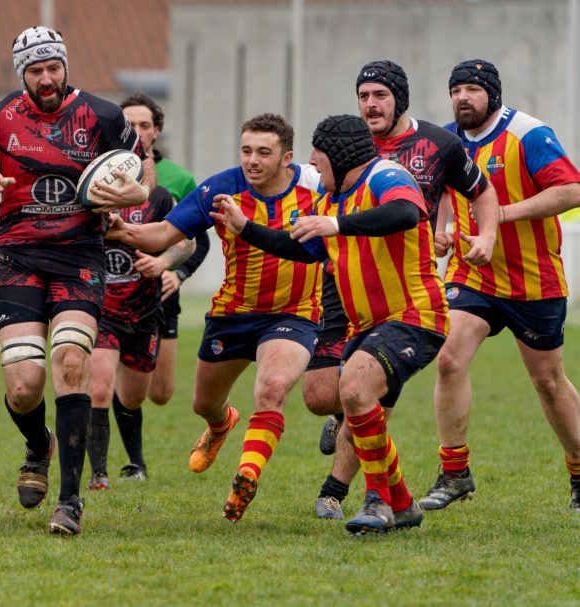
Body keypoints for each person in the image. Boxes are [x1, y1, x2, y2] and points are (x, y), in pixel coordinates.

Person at [0, 26, 155, 536]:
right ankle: (39, 445)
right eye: (36, 70)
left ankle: (69, 501)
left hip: (79, 258)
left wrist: (126, 196)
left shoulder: (103, 116)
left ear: (65, 66)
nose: (46, 78)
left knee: (70, 360)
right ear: (23, 73)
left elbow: (143, 178)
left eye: (53, 68)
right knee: (23, 386)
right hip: (18, 256)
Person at [213, 115, 449, 534]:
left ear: (339, 157)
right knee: (358, 403)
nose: (310, 163)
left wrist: (337, 224)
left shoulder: (385, 175)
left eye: (317, 156)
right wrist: (246, 229)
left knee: (354, 389)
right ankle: (403, 503)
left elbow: (407, 213)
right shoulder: (328, 200)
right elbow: (300, 249)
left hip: (415, 316)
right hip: (367, 325)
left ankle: (377, 502)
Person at [107, 113, 323, 522]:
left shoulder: (316, 186)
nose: (252, 160)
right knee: (204, 403)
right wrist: (122, 231)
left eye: (264, 152)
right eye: (246, 151)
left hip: (294, 313)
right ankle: (221, 425)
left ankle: (247, 474)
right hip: (232, 314)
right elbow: (164, 234)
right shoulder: (220, 189)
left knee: (273, 388)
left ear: (288, 157)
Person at [309, 60, 499, 521]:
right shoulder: (346, 143)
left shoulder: (439, 144)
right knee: (322, 396)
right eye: (363, 96)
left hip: (403, 289)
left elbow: (481, 191)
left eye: (380, 96)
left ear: (400, 99)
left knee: (363, 390)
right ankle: (383, 491)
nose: (370, 105)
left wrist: (486, 235)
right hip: (346, 283)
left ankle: (350, 494)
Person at [420, 59, 580, 513]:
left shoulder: (529, 133)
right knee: (449, 358)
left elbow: (572, 190)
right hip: (474, 275)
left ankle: (579, 470)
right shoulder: (449, 143)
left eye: (472, 89)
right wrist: (443, 230)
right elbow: (450, 198)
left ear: (493, 93)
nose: (462, 98)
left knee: (548, 381)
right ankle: (455, 473)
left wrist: (500, 214)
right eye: (455, 90)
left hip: (534, 280)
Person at [85, 186, 195, 490]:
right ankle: (98, 474)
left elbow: (188, 242)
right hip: (102, 311)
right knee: (99, 387)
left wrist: (161, 263)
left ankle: (136, 462)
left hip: (145, 314)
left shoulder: (159, 198)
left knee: (133, 397)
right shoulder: (91, 194)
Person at [119, 93, 210, 407]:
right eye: (129, 124)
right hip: (110, 291)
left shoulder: (178, 178)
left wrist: (179, 273)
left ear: (156, 130)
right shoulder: (100, 172)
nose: (137, 131)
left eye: (144, 124)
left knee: (160, 393)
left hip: (158, 291)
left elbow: (200, 238)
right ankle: (133, 455)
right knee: (110, 380)